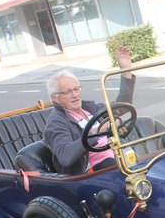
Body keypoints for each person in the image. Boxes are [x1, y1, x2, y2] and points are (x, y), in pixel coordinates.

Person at [44, 46, 135, 175]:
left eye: (76, 89)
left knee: (149, 126)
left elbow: (122, 107)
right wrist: (97, 132)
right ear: (55, 98)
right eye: (68, 92)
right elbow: (65, 156)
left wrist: (126, 71)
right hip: (91, 173)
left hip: (118, 158)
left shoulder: (91, 109)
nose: (75, 95)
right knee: (115, 164)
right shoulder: (56, 121)